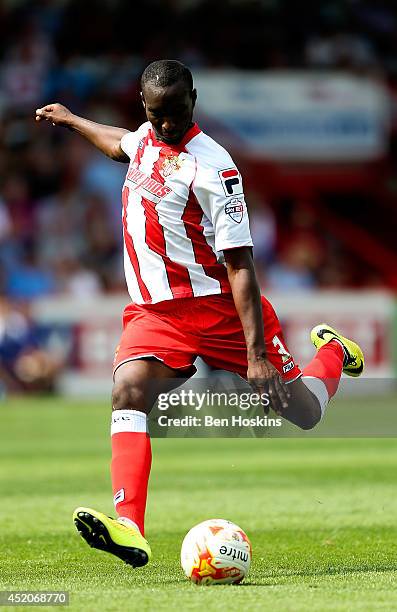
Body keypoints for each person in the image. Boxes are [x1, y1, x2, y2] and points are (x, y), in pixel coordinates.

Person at [35, 60, 364, 569]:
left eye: (176, 111)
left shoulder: (215, 168)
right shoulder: (146, 137)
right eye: (156, 113)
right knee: (129, 390)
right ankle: (130, 527)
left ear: (194, 97)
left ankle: (334, 353)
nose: (166, 123)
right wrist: (74, 120)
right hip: (155, 312)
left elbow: (240, 263)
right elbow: (118, 141)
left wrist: (256, 355)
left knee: (304, 412)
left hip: (219, 310)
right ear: (145, 107)